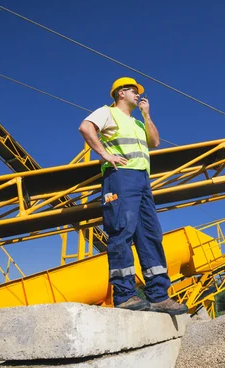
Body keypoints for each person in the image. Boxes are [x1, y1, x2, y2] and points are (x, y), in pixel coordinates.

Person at [78, 77, 188, 315]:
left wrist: (147, 115)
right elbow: (86, 127)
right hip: (120, 177)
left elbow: (155, 142)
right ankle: (125, 295)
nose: (138, 95)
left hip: (142, 180)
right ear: (120, 93)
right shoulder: (107, 112)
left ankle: (159, 296)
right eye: (134, 91)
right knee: (121, 231)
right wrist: (106, 154)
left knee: (150, 235)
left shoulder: (138, 123)